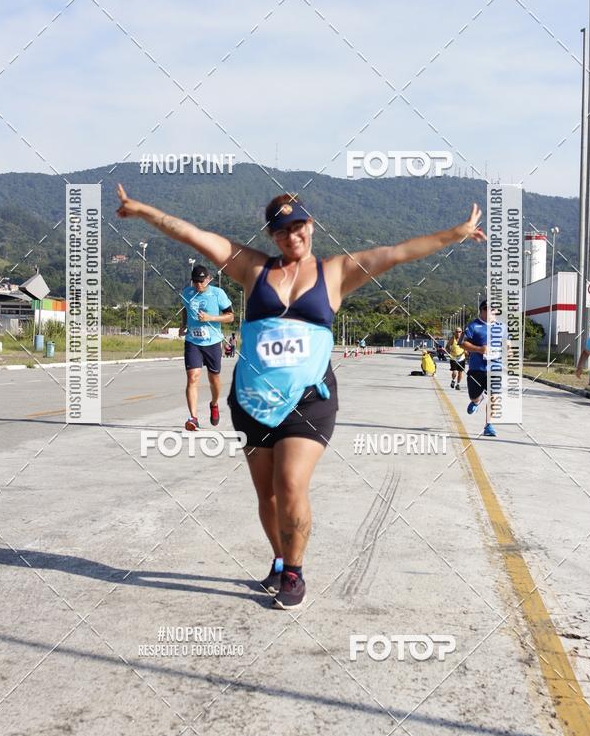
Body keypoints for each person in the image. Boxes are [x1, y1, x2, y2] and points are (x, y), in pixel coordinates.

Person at [116, 182, 485, 609]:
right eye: (282, 230)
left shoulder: (336, 271)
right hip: (253, 401)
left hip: (309, 399)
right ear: (272, 235)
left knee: (290, 482)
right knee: (267, 495)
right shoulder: (253, 269)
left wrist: (453, 235)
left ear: (310, 225)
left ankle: (294, 570)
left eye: (298, 226)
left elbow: (399, 251)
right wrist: (143, 210)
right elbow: (194, 235)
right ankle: (278, 559)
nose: (292, 236)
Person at [179, 264, 234, 431]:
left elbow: (230, 316)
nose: (199, 285)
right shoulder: (187, 293)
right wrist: (183, 325)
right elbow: (185, 309)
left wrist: (211, 317)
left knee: (214, 379)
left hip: (212, 342)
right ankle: (193, 418)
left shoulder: (218, 294)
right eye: (195, 281)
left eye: (202, 281)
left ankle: (214, 404)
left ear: (209, 279)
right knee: (193, 377)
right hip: (193, 342)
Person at [462, 301, 508, 438]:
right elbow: (463, 343)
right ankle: (477, 400)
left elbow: (507, 342)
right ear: (481, 311)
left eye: (493, 309)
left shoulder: (502, 327)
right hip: (477, 368)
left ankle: (489, 425)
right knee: (474, 396)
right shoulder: (473, 326)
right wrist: (479, 349)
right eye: (487, 309)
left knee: (494, 396)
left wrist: (508, 352)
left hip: (495, 367)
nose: (491, 312)